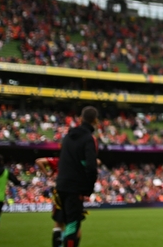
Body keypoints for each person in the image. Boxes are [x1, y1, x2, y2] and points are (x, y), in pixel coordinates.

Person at [55, 106, 99, 247]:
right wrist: (89, 188)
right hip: (75, 188)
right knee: (72, 226)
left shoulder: (68, 136)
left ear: (80, 119)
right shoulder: (89, 139)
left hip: (61, 185)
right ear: (95, 121)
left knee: (63, 223)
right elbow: (91, 167)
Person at [36, 156, 65, 247]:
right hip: (73, 193)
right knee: (72, 224)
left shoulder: (58, 161)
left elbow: (39, 161)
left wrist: (47, 173)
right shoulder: (77, 160)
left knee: (59, 222)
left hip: (59, 193)